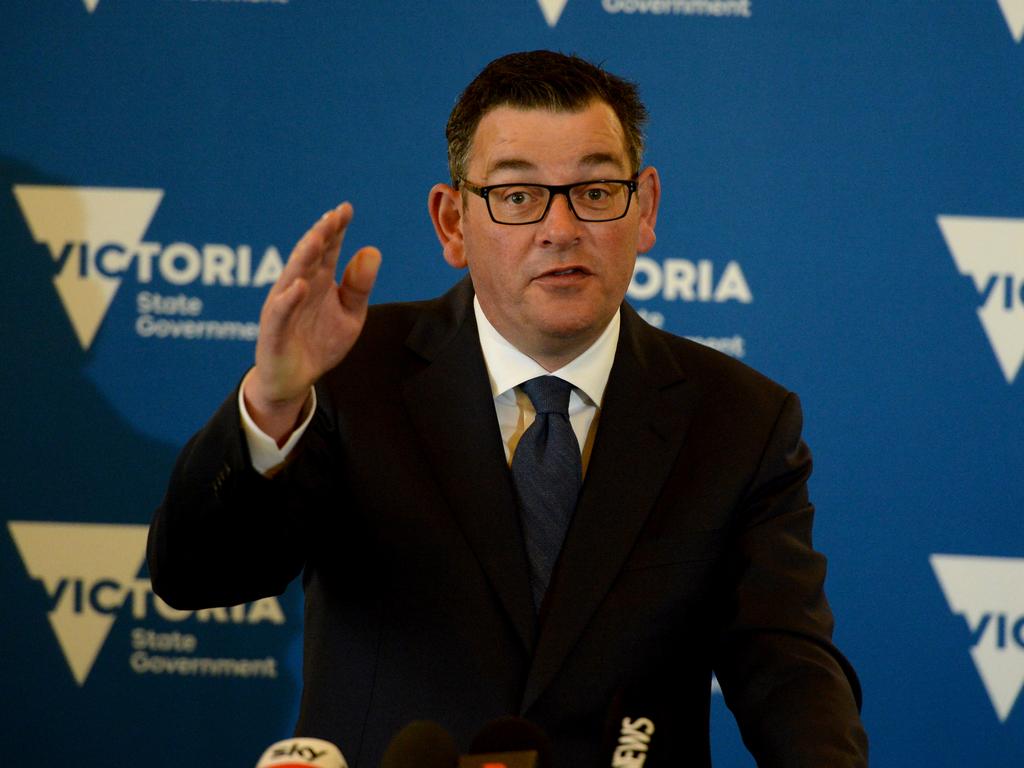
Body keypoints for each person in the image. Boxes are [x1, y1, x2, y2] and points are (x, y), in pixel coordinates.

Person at [148, 50, 868, 767]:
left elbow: (788, 669)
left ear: (644, 208)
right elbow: (197, 577)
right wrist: (272, 404)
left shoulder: (739, 421)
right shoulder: (349, 378)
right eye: (519, 196)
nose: (560, 228)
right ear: (453, 222)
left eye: (594, 190)